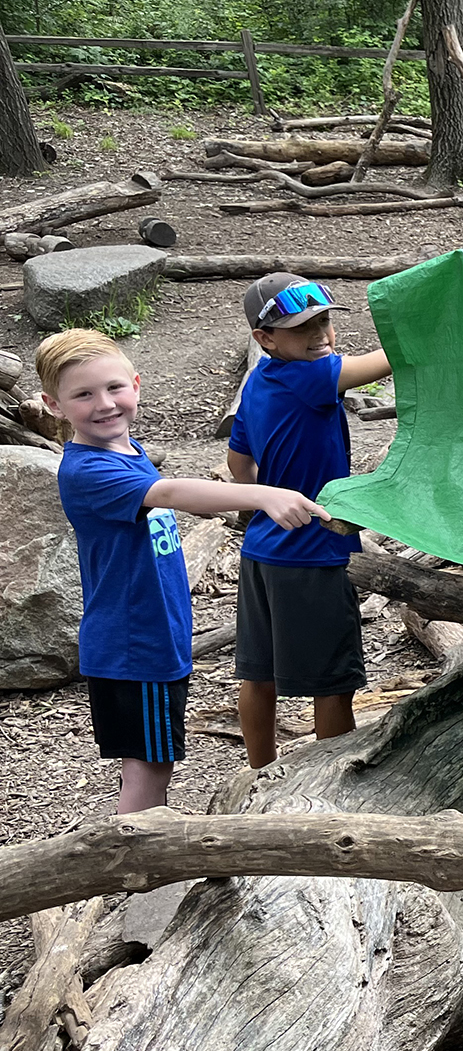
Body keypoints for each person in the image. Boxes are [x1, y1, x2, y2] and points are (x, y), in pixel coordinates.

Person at [36, 328, 327, 814]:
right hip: (133, 645)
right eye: (83, 395)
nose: (104, 404)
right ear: (53, 405)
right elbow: (170, 494)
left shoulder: (126, 451)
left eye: (113, 388)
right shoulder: (87, 470)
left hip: (155, 638)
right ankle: (132, 869)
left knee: (157, 760)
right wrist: (262, 494)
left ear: (136, 384)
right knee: (148, 768)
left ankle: (141, 857)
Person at [227, 273, 391, 769]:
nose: (320, 334)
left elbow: (239, 465)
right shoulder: (311, 376)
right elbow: (385, 362)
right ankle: (331, 782)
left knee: (259, 675)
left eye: (324, 321)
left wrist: (268, 497)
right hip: (314, 554)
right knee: (333, 684)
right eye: (302, 328)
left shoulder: (259, 382)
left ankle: (258, 771)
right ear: (266, 339)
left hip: (262, 551)